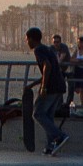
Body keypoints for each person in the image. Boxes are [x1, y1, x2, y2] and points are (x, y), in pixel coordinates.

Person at [28, 25, 67, 154]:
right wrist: (33, 85)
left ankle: (59, 136)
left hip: (51, 87)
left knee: (37, 113)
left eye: (27, 39)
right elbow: (49, 71)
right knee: (48, 116)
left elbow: (47, 66)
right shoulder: (47, 49)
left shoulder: (38, 50)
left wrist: (43, 87)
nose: (27, 42)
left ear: (32, 39)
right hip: (59, 86)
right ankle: (51, 145)